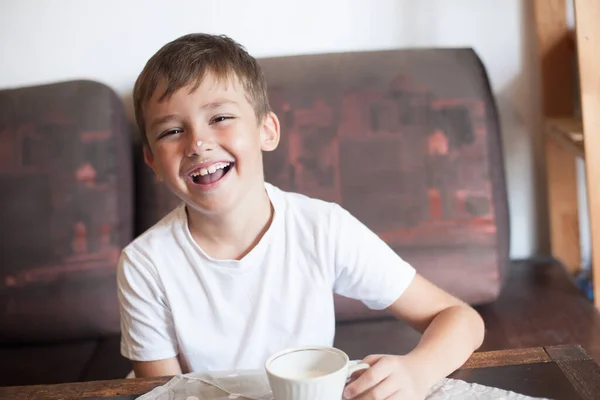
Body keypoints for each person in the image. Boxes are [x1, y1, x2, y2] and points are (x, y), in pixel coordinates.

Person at [117, 32, 485, 399]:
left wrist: (418, 370)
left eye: (221, 117)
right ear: (153, 162)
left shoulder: (322, 228)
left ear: (267, 130)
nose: (197, 143)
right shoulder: (145, 264)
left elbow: (461, 318)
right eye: (172, 131)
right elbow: (164, 394)